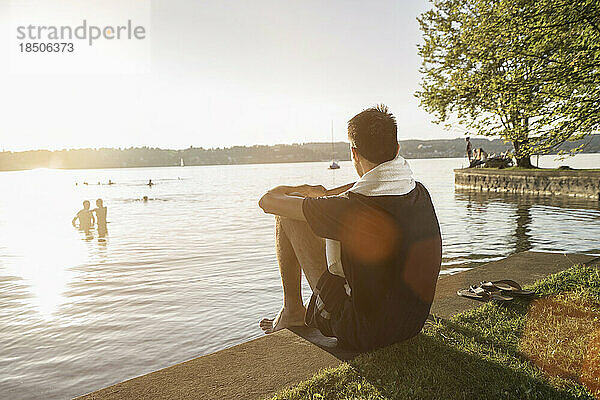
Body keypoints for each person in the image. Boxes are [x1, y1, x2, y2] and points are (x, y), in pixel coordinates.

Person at [258, 105, 442, 351]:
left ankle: (292, 310)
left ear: (354, 153)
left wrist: (306, 191)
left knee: (288, 216)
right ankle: (294, 310)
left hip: (364, 333)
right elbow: (371, 185)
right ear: (397, 149)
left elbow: (268, 202)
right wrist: (323, 196)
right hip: (411, 324)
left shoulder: (349, 209)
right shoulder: (417, 190)